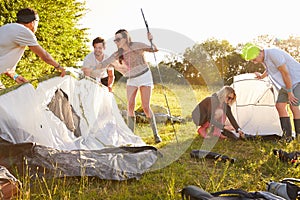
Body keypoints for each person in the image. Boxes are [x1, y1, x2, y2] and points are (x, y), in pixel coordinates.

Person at [93, 29, 162, 143]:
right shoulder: (118, 54)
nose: (116, 41)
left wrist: (151, 40)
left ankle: (156, 135)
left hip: (144, 76)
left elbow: (154, 49)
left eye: (118, 39)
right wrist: (91, 68)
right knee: (130, 106)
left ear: (125, 38)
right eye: (115, 40)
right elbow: (105, 63)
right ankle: (131, 135)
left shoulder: (137, 46)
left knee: (145, 106)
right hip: (132, 79)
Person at [241, 43, 300, 141]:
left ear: (259, 53)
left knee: (293, 106)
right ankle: (287, 137)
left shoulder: (273, 53)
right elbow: (270, 70)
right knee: (280, 106)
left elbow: (285, 73)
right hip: (286, 84)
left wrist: (290, 92)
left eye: (254, 59)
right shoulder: (265, 59)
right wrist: (261, 76)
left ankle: (299, 136)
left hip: (297, 81)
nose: (254, 62)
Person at [0, 8, 65, 88]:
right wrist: (60, 68)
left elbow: (3, 58)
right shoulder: (24, 31)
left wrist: (16, 76)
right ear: (33, 22)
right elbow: (45, 56)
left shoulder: (6, 28)